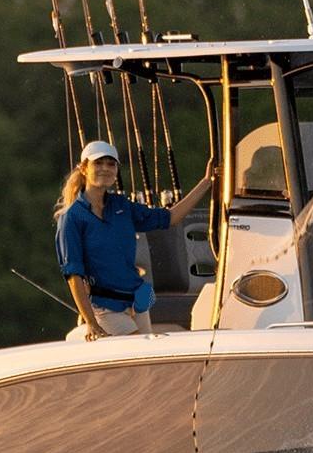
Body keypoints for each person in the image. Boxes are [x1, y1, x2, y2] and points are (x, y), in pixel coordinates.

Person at [56, 140, 218, 339]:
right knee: (144, 348)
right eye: (98, 163)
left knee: (150, 361)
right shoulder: (72, 218)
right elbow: (74, 276)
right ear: (83, 168)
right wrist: (90, 321)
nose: (105, 169)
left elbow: (171, 218)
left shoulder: (121, 206)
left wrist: (206, 182)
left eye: (111, 164)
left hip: (139, 302)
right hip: (105, 309)